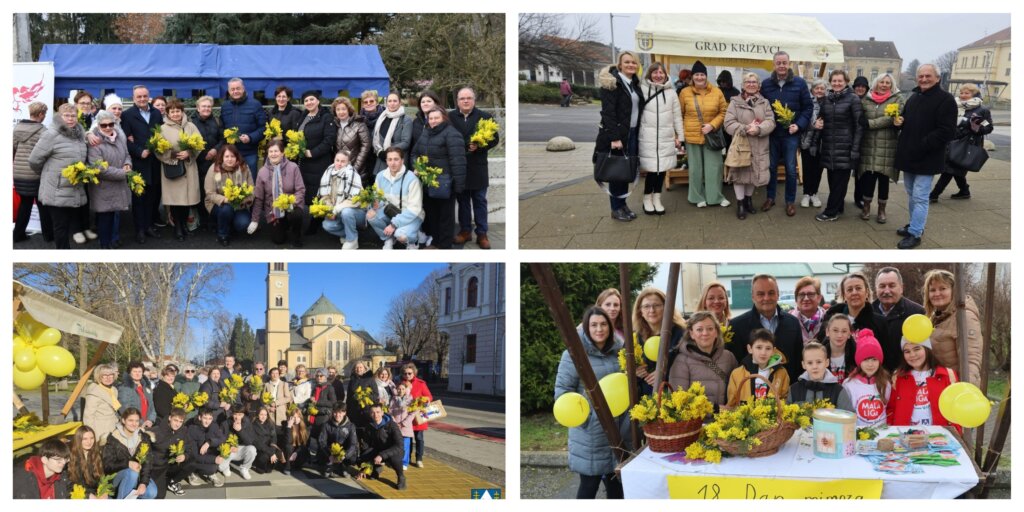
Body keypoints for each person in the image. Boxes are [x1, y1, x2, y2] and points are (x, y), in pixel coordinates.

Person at [554, 306, 627, 499]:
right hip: (591, 433)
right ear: (586, 328)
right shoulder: (573, 355)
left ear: (610, 328)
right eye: (593, 325)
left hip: (619, 429)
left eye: (603, 324)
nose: (599, 329)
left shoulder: (620, 352)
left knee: (617, 487)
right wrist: (588, 419)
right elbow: (562, 393)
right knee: (589, 486)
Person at [894, 63, 958, 249]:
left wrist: (922, 144)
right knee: (912, 194)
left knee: (921, 197)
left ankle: (915, 233)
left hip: (927, 157)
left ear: (937, 78)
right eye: (921, 76)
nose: (924, 79)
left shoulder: (945, 100)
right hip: (909, 156)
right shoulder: (914, 97)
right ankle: (914, 224)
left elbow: (947, 131)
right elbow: (906, 121)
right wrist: (899, 122)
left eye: (928, 76)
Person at [760, 51, 814, 216]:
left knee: (791, 169)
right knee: (771, 167)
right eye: (779, 63)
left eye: (784, 63)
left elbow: (808, 107)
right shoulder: (766, 84)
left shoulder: (799, 83)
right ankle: (770, 197)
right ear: (774, 64)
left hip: (791, 134)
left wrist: (798, 125)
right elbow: (761, 107)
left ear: (789, 64)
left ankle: (790, 201)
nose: (782, 66)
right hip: (772, 133)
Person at [28, 103, 88, 249]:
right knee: (61, 228)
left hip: (74, 188)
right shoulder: (51, 134)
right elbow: (34, 160)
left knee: (67, 226)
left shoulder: (80, 135)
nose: (70, 119)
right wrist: (49, 175)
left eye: (73, 115)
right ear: (59, 117)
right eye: (66, 115)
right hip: (56, 189)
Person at [596, 50, 645, 222]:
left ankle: (622, 205)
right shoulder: (612, 83)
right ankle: (616, 208)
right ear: (620, 65)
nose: (631, 65)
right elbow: (608, 113)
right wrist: (615, 138)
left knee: (624, 171)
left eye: (634, 62)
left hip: (631, 133)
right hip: (618, 136)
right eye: (627, 62)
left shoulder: (634, 83)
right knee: (616, 172)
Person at [728, 274, 803, 381]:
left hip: (786, 392)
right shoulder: (737, 326)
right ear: (753, 296)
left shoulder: (793, 323)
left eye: (771, 293)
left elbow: (798, 362)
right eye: (760, 294)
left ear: (778, 294)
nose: (766, 298)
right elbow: (736, 365)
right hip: (751, 393)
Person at [450, 87, 498, 249]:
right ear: (457, 101)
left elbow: (494, 139)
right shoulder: (450, 117)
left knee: (479, 201)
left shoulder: (485, 117)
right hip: (459, 167)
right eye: (462, 98)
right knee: (463, 202)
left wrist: (480, 146)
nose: (465, 101)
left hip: (478, 167)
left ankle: (482, 233)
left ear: (474, 100)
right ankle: (465, 231)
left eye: (468, 98)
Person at [412, 108, 467, 249]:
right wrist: (417, 166)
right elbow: (414, 153)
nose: (433, 121)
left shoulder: (452, 134)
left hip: (445, 184)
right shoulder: (426, 133)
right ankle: (435, 242)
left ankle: (444, 246)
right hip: (427, 183)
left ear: (443, 118)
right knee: (432, 215)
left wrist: (458, 186)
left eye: (436, 118)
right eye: (430, 118)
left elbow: (458, 162)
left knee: (445, 217)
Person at [723, 72, 776, 218]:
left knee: (754, 174)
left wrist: (758, 129)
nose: (751, 84)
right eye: (748, 82)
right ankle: (740, 204)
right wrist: (746, 128)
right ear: (743, 85)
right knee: (739, 176)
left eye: (754, 82)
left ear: (759, 86)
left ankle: (748, 201)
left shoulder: (764, 102)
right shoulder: (734, 102)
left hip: (759, 145)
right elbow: (728, 123)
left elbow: (771, 121)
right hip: (741, 146)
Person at [813, 70, 864, 222]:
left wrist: (855, 149)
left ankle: (830, 212)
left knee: (839, 182)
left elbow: (859, 126)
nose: (836, 83)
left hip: (845, 147)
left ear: (846, 82)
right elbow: (821, 121)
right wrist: (816, 138)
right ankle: (838, 206)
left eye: (839, 81)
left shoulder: (853, 99)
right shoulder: (827, 99)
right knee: (832, 180)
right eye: (834, 81)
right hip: (829, 147)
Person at [931, 83, 994, 202]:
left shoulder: (982, 110)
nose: (963, 95)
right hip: (952, 142)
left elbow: (989, 127)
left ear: (974, 94)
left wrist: (973, 126)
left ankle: (934, 194)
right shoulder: (955, 106)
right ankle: (964, 191)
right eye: (961, 93)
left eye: (967, 93)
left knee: (949, 169)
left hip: (967, 144)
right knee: (956, 170)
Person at [679, 60, 729, 208]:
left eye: (702, 74)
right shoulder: (684, 93)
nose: (699, 77)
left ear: (706, 76)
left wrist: (712, 125)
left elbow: (723, 111)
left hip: (711, 135)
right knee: (695, 169)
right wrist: (680, 136)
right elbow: (679, 114)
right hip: (692, 136)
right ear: (692, 76)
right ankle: (696, 197)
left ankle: (716, 197)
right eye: (697, 74)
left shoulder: (717, 91)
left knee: (715, 167)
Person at [886, 336, 961, 433]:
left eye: (917, 349)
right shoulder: (898, 377)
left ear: (927, 349)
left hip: (938, 439)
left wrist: (954, 433)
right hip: (907, 438)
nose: (912, 355)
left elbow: (956, 409)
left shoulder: (947, 375)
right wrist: (893, 432)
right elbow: (891, 409)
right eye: (907, 351)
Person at [922, 269, 983, 386]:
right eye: (932, 290)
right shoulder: (936, 318)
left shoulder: (964, 316)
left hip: (957, 391)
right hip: (942, 386)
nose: (937, 293)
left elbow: (971, 359)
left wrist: (966, 391)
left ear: (954, 291)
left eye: (943, 288)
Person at [637, 62, 683, 216]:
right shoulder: (642, 90)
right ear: (650, 74)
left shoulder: (671, 93)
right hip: (648, 137)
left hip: (665, 136)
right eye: (655, 72)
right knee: (651, 170)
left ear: (665, 75)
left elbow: (677, 116)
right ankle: (646, 199)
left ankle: (657, 198)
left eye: (661, 72)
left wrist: (680, 136)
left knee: (662, 169)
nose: (658, 75)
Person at [120, 85, 163, 244]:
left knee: (152, 198)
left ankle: (149, 226)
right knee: (139, 198)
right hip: (138, 162)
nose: (142, 99)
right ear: (134, 98)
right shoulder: (127, 115)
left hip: (155, 162)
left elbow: (159, 134)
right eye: (139, 97)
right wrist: (139, 151)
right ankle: (139, 230)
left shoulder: (156, 113)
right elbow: (125, 139)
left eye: (145, 96)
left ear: (149, 96)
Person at [858, 73, 903, 223]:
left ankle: (881, 210)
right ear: (876, 83)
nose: (884, 85)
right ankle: (866, 207)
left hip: (888, 145)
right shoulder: (866, 99)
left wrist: (870, 124)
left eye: (887, 83)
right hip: (868, 144)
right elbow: (860, 117)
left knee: (884, 179)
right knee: (868, 178)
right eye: (881, 82)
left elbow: (890, 119)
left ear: (892, 85)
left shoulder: (897, 99)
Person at [669, 311, 739, 407]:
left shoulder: (728, 357)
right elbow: (679, 399)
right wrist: (714, 409)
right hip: (696, 421)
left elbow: (737, 389)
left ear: (716, 332)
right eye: (699, 329)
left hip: (726, 419)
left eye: (710, 329)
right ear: (691, 334)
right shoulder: (682, 361)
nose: (705, 333)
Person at [155, 98, 202, 241]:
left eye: (178, 111)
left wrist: (189, 153)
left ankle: (184, 225)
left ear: (182, 112)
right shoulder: (162, 129)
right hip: (173, 168)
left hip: (189, 166)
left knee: (187, 201)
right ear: (168, 113)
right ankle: (177, 228)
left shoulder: (191, 126)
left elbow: (199, 144)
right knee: (176, 201)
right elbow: (157, 150)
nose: (175, 114)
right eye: (172, 111)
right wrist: (172, 155)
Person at [84, 110, 131, 249]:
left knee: (113, 218)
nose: (108, 127)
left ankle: (111, 242)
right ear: (98, 125)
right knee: (105, 219)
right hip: (103, 187)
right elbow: (99, 168)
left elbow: (127, 154)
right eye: (104, 125)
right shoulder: (94, 142)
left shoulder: (120, 138)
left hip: (119, 185)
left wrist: (128, 164)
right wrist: (123, 173)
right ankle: (104, 246)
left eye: (111, 124)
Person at [249, 139, 307, 247]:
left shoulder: (293, 167)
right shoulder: (262, 172)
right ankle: (283, 225)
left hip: (291, 205)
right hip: (273, 209)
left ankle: (296, 235)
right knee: (278, 240)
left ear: (282, 152)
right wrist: (255, 220)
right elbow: (259, 198)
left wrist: (291, 202)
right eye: (270, 151)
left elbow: (300, 190)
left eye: (276, 151)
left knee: (296, 215)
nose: (273, 154)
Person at [296, 91, 338, 235]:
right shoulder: (303, 116)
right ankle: (311, 218)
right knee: (306, 190)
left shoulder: (326, 117)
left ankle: (316, 221)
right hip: (303, 161)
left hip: (319, 161)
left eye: (311, 99)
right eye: (306, 100)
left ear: (318, 101)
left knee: (318, 191)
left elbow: (329, 140)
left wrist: (312, 152)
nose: (309, 102)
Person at [368, 147, 424, 249]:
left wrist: (393, 225)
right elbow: (377, 198)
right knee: (370, 216)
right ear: (386, 161)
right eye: (390, 159)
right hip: (390, 212)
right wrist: (374, 206)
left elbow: (414, 209)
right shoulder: (380, 176)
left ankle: (413, 240)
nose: (393, 163)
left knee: (401, 235)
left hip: (411, 215)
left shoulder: (412, 179)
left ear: (402, 160)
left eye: (396, 159)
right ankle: (388, 238)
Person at [631, 287, 686, 394]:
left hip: (672, 396)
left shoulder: (680, 333)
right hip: (642, 399)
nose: (652, 310)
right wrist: (634, 372)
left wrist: (665, 372)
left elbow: (690, 364)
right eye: (646, 306)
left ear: (666, 308)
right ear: (640, 311)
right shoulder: (634, 338)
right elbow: (624, 368)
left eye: (657, 305)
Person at [872, 267, 926, 372]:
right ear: (876, 289)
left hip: (906, 376)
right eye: (882, 286)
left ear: (901, 288)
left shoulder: (917, 312)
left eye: (892, 286)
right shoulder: (867, 314)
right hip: (876, 378)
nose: (886, 291)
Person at [13, 101, 50, 243]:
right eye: (44, 114)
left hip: (19, 173)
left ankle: (18, 235)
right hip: (36, 173)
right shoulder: (43, 131)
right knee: (43, 205)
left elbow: (12, 149)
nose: (45, 116)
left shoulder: (17, 128)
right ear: (40, 114)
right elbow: (45, 154)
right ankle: (49, 236)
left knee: (25, 204)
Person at [101, 407, 158, 499]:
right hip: (117, 477)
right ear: (123, 420)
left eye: (136, 421)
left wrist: (143, 483)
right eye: (130, 420)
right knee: (132, 473)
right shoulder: (113, 438)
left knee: (152, 492)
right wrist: (127, 464)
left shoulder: (143, 437)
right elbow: (107, 465)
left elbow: (148, 462)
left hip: (138, 475)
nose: (134, 424)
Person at [838, 329, 890, 427]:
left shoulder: (886, 382)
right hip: (858, 434)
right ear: (859, 362)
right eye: (865, 360)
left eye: (874, 359)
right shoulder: (849, 384)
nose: (870, 364)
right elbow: (845, 412)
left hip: (881, 433)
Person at [204, 144, 254, 246]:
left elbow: (251, 189)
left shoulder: (244, 168)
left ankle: (230, 225)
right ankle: (222, 234)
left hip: (239, 204)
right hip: (218, 204)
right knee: (226, 209)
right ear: (222, 157)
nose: (230, 159)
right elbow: (209, 192)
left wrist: (242, 200)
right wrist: (225, 199)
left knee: (243, 224)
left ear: (237, 157)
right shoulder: (214, 168)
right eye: (226, 156)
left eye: (232, 156)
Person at [726, 328, 790, 406]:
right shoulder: (737, 374)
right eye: (759, 347)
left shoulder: (781, 373)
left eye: (768, 348)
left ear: (773, 351)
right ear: (750, 349)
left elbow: (785, 400)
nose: (763, 352)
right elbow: (732, 403)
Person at [822, 272, 886, 348]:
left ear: (867, 292)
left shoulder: (880, 323)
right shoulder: (830, 319)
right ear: (844, 295)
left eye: (858, 288)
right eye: (849, 289)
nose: (854, 293)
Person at [220, 78, 268, 178]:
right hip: (230, 154)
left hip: (249, 153)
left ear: (243, 89)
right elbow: (222, 128)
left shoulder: (255, 104)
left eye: (238, 88)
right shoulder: (225, 106)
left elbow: (263, 128)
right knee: (231, 184)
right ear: (229, 91)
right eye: (232, 89)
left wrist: (250, 137)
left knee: (250, 182)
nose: (235, 91)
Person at [318, 150, 365, 249]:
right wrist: (330, 209)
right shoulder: (329, 171)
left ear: (348, 162)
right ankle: (348, 234)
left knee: (346, 212)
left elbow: (354, 200)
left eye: (343, 161)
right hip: (337, 209)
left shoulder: (352, 174)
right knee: (327, 225)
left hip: (357, 212)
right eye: (337, 160)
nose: (339, 163)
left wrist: (337, 208)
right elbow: (325, 196)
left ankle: (352, 241)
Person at [190, 95, 223, 230]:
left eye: (209, 106)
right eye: (203, 106)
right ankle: (202, 220)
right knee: (200, 191)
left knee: (215, 189)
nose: (206, 109)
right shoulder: (191, 123)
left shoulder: (217, 121)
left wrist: (215, 150)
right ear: (198, 108)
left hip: (214, 163)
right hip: (197, 163)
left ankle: (214, 219)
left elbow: (223, 139)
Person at [357, 402, 407, 490]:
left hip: (393, 450)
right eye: (373, 412)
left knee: (395, 459)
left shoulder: (392, 425)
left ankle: (401, 476)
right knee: (364, 454)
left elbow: (399, 445)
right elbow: (366, 446)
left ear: (382, 413)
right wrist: (363, 468)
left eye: (378, 412)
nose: (375, 415)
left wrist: (381, 455)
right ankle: (376, 470)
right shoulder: (369, 426)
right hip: (378, 450)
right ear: (370, 414)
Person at [788, 342, 850, 406]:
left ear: (827, 362)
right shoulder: (794, 390)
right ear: (803, 365)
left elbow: (848, 414)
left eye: (819, 362)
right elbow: (786, 414)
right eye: (810, 363)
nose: (815, 366)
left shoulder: (838, 390)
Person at [149, 407, 192, 497]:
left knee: (192, 462)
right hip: (157, 467)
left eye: (180, 422)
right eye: (175, 420)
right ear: (169, 418)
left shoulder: (183, 431)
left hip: (170, 464)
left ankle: (171, 481)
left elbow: (189, 447)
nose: (177, 424)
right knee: (159, 496)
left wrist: (184, 456)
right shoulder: (157, 431)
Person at [370, 92, 414, 176]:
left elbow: (406, 142)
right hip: (381, 159)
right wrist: (379, 152)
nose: (392, 103)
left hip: (397, 161)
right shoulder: (382, 117)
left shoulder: (406, 120)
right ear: (386, 103)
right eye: (390, 101)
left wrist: (388, 152)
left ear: (400, 103)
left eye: (395, 101)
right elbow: (374, 136)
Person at [799, 79, 827, 208]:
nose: (819, 91)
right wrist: (813, 125)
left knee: (818, 169)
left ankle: (814, 193)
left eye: (822, 88)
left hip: (822, 142)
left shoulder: (829, 103)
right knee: (807, 168)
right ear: (812, 90)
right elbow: (802, 120)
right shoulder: (807, 102)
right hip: (807, 141)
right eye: (817, 88)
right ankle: (806, 194)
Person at [332, 96, 372, 184]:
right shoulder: (334, 125)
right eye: (338, 109)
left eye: (343, 109)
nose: (341, 112)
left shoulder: (359, 124)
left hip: (357, 171)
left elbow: (366, 146)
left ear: (349, 110)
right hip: (338, 169)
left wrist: (355, 167)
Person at [400, 362, 432, 468]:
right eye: (405, 374)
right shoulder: (401, 384)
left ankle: (419, 459)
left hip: (417, 416)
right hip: (405, 416)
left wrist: (423, 400)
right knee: (406, 439)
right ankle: (406, 458)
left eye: (410, 373)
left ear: (414, 373)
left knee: (419, 438)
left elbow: (429, 397)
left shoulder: (421, 383)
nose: (407, 376)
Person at [186, 408, 227, 487]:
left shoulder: (213, 425)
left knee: (216, 464)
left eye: (210, 418)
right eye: (205, 418)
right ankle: (191, 473)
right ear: (199, 417)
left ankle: (208, 473)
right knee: (212, 468)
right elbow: (193, 455)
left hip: (206, 454)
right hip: (193, 457)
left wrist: (209, 442)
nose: (207, 421)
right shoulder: (192, 429)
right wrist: (213, 459)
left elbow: (222, 439)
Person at [317, 402, 359, 478]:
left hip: (343, 453)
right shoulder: (326, 425)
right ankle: (330, 465)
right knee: (325, 472)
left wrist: (345, 455)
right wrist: (329, 455)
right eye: (335, 412)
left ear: (344, 413)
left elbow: (353, 443)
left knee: (353, 453)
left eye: (340, 413)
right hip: (331, 452)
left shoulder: (351, 426)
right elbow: (322, 441)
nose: (337, 415)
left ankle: (344, 466)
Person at [219, 404, 258, 480]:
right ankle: (226, 467)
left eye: (240, 414)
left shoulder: (247, 423)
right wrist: (229, 446)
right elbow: (220, 439)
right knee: (220, 468)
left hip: (241, 448)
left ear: (243, 414)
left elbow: (250, 441)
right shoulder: (225, 423)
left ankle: (244, 468)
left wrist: (240, 431)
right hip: (229, 449)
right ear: (232, 413)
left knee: (252, 449)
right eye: (235, 414)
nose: (237, 417)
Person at [83, 363, 121, 440]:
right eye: (104, 375)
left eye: (111, 375)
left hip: (113, 428)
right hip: (99, 430)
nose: (108, 378)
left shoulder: (114, 390)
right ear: (99, 377)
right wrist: (91, 434)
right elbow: (88, 416)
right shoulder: (94, 392)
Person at [66, 426, 106, 499]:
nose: (89, 442)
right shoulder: (71, 457)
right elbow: (69, 485)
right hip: (78, 494)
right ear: (78, 440)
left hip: (95, 493)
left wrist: (104, 491)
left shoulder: (96, 454)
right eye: (85, 439)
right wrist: (88, 495)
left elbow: (102, 477)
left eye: (92, 438)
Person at [117, 361, 156, 429]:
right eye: (134, 371)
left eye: (139, 371)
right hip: (132, 425)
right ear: (130, 373)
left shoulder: (146, 387)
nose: (137, 374)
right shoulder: (125, 388)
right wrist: (139, 422)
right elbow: (125, 408)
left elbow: (151, 406)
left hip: (146, 424)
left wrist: (150, 420)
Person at [790, 276, 826, 344]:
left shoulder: (828, 319)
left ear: (819, 298)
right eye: (801, 294)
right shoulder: (788, 321)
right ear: (796, 299)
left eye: (810, 294)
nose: (806, 298)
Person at [822, 313, 856, 384]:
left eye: (844, 331)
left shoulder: (856, 357)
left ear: (849, 334)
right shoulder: (818, 356)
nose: (839, 335)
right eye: (835, 330)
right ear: (827, 332)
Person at [389, 381, 416, 470]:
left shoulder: (410, 399)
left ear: (406, 390)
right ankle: (394, 461)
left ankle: (404, 462)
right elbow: (390, 411)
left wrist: (404, 423)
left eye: (403, 389)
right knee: (394, 444)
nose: (400, 390)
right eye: (399, 389)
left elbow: (413, 413)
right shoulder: (394, 399)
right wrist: (394, 422)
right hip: (396, 426)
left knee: (405, 446)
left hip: (405, 427)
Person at [252, 405, 285, 474]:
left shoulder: (270, 424)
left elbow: (274, 439)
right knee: (263, 460)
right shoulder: (253, 425)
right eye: (261, 414)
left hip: (270, 447)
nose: (263, 417)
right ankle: (258, 465)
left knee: (270, 468)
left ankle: (270, 465)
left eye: (265, 415)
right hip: (260, 449)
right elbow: (257, 443)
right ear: (257, 415)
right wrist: (271, 453)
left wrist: (272, 451)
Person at [282, 404, 310, 475]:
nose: (296, 419)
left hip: (298, 452)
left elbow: (305, 444)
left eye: (298, 417)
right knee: (289, 446)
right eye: (294, 417)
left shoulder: (304, 428)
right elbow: (287, 442)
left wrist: (296, 452)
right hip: (289, 452)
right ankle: (287, 467)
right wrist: (288, 427)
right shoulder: (287, 426)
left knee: (304, 449)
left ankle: (296, 465)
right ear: (291, 418)